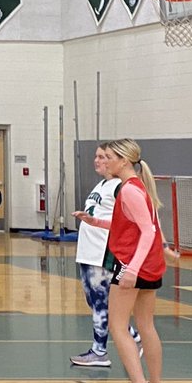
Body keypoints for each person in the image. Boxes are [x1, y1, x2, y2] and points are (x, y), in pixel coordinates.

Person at [101, 138, 172, 383]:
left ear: (124, 161)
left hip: (134, 264)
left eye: (109, 157)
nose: (105, 162)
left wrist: (131, 269)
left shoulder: (129, 189)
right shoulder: (137, 188)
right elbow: (132, 223)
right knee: (146, 325)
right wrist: (95, 221)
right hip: (149, 265)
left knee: (117, 326)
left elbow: (148, 231)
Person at [70, 143, 142, 368]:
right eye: (96, 156)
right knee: (94, 302)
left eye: (103, 157)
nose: (97, 160)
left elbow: (130, 221)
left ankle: (99, 351)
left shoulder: (121, 187)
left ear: (119, 160)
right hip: (88, 252)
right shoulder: (101, 185)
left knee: (102, 302)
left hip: (104, 252)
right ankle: (135, 338)